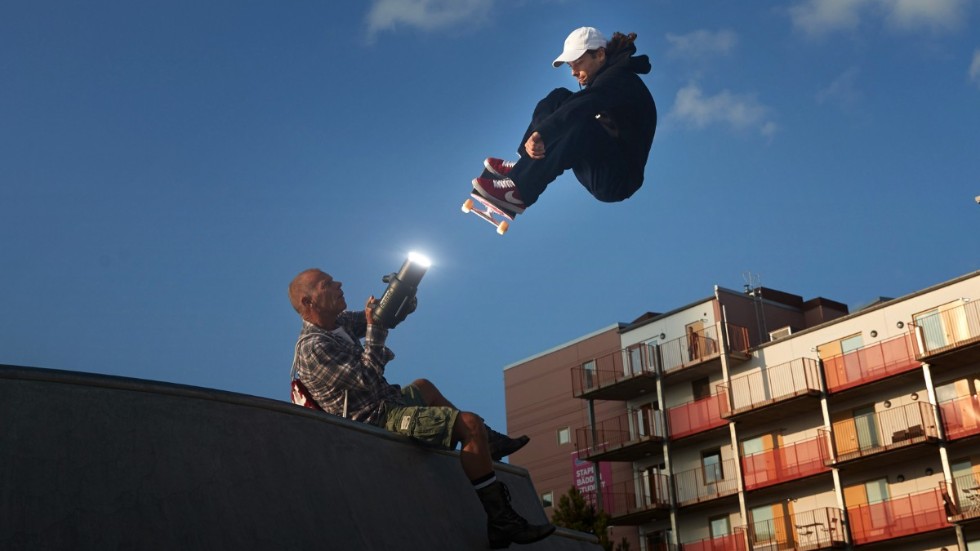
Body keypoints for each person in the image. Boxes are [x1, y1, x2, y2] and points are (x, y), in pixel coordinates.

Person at [287, 268, 555, 548]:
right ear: (308, 303)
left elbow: (382, 319)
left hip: (387, 402)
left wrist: (402, 295)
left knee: (423, 386)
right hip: (375, 421)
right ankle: (502, 520)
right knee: (470, 424)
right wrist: (375, 329)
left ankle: (490, 445)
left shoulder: (336, 323)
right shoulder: (314, 347)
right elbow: (368, 376)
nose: (338, 283)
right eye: (326, 284)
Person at [472, 27, 657, 217]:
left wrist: (542, 133)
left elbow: (586, 103)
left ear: (600, 54)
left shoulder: (621, 79)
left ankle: (518, 191)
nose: (574, 72)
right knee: (558, 97)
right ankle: (524, 164)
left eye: (578, 63)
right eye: (570, 66)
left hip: (617, 177)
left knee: (579, 120)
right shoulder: (606, 81)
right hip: (605, 158)